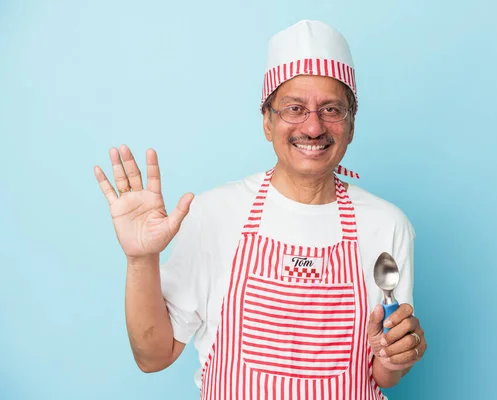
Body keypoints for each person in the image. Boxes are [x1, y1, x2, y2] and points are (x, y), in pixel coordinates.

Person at [94, 19, 427, 399]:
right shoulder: (214, 213)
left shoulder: (386, 224)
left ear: (351, 125)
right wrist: (140, 260)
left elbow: (384, 375)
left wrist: (398, 352)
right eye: (294, 108)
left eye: (331, 109)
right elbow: (153, 356)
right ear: (267, 122)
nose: (314, 127)